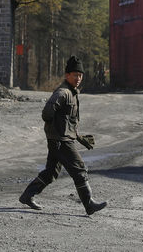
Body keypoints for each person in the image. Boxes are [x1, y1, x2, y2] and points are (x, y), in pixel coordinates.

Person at [19, 55, 107, 215]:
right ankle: (89, 205)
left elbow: (68, 121)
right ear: (67, 75)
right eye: (75, 75)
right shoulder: (63, 92)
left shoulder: (72, 93)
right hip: (61, 141)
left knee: (51, 172)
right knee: (79, 169)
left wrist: (79, 138)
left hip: (60, 139)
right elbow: (47, 112)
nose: (78, 78)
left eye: (80, 75)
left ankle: (27, 195)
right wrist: (55, 130)